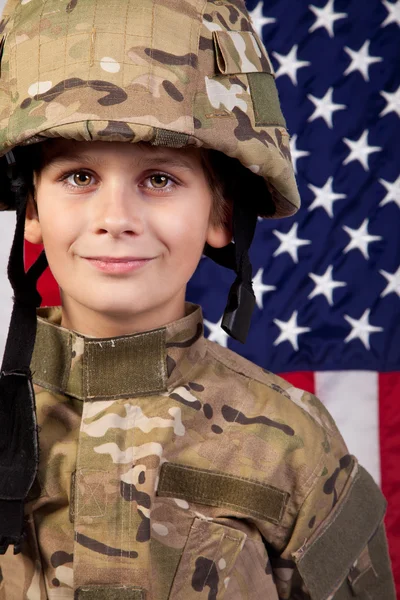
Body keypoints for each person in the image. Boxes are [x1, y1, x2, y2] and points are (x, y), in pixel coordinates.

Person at [0, 0, 395, 598]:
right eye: (78, 176)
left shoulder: (291, 444)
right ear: (32, 210)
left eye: (160, 179)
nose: (116, 218)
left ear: (220, 214)